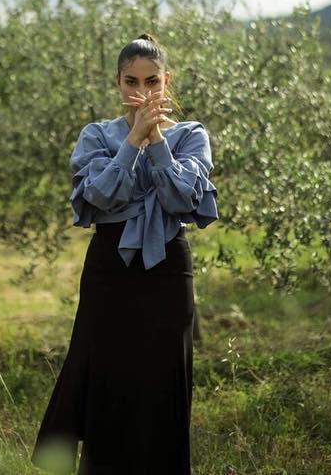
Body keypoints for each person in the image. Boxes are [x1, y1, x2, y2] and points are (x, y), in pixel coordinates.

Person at [31, 33, 219, 475]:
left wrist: (155, 141)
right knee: (107, 384)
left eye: (152, 81)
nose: (143, 92)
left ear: (166, 81)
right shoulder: (96, 134)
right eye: (132, 82)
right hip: (109, 271)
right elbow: (98, 196)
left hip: (168, 271)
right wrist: (132, 140)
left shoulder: (192, 135)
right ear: (117, 83)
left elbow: (178, 202)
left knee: (163, 387)